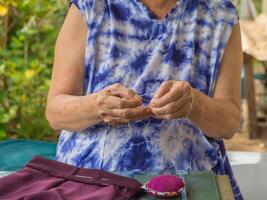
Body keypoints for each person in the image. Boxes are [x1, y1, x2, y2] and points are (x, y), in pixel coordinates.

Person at [46, 0, 243, 199]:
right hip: (90, 180)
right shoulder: (91, 6)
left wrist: (194, 104)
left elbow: (229, 124)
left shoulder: (220, 14)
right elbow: (55, 113)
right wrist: (97, 106)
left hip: (191, 182)